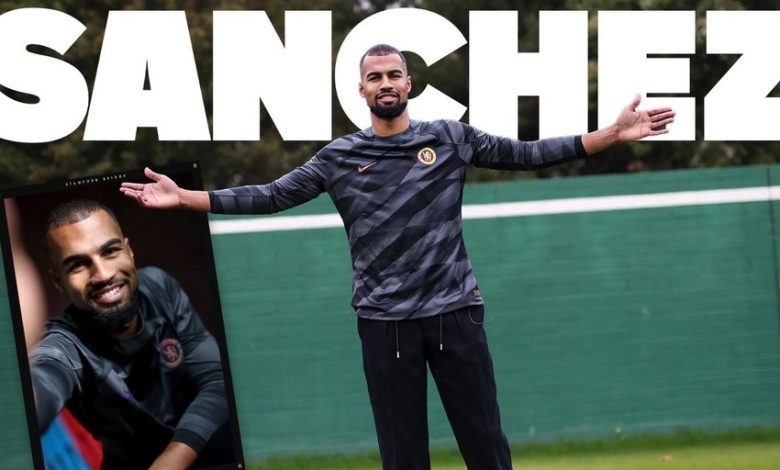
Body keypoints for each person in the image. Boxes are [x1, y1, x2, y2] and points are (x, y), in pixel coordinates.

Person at [120, 44, 675, 470]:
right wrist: (185, 197)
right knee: (402, 456)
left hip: (456, 314)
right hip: (384, 325)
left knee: (486, 445)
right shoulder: (339, 157)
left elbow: (528, 154)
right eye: (375, 77)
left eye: (393, 75)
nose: (385, 83)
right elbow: (270, 195)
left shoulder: (451, 138)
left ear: (409, 83)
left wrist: (608, 136)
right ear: (361, 90)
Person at [30, 199, 233, 470]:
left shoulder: (159, 287)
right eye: (78, 265)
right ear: (59, 282)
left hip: (215, 450)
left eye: (110, 251)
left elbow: (217, 381)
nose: (103, 275)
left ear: (129, 251)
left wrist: (171, 461)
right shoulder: (63, 345)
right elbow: (42, 384)